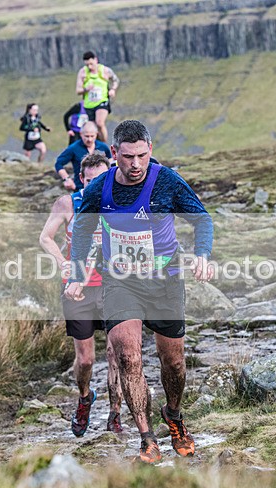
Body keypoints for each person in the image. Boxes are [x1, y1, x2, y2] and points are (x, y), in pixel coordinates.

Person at [65, 120, 214, 464]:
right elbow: (83, 230)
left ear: (150, 150)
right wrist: (77, 273)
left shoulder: (167, 181)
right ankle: (146, 438)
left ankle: (173, 415)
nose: (136, 164)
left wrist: (202, 255)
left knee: (173, 362)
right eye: (128, 157)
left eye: (142, 156)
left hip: (164, 281)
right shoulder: (99, 188)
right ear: (113, 152)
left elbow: (201, 219)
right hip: (120, 281)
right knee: (128, 357)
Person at [39, 151, 124, 436]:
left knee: (115, 354)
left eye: (101, 179)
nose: (95, 186)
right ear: (80, 179)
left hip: (113, 287)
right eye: (89, 181)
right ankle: (85, 398)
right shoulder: (68, 203)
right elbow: (45, 237)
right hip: (77, 289)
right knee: (86, 359)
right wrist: (62, 263)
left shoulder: (119, 202)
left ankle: (115, 414)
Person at [76, 51, 119, 143]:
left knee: (99, 123)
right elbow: (78, 90)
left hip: (102, 101)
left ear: (96, 60)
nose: (89, 67)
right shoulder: (83, 73)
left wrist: (113, 89)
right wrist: (86, 89)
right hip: (89, 104)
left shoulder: (105, 70)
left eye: (91, 64)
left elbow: (116, 80)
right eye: (87, 65)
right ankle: (97, 146)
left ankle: (104, 146)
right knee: (92, 129)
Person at [55, 122, 111, 192]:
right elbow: (58, 163)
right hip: (80, 188)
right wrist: (67, 179)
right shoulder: (73, 148)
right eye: (86, 136)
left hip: (101, 188)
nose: (89, 139)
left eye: (92, 136)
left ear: (96, 134)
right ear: (81, 134)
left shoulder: (103, 147)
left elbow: (110, 162)